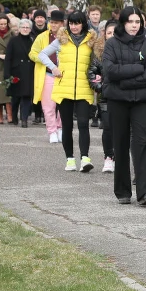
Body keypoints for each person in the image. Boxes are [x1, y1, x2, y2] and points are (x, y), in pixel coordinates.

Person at [102, 6, 146, 205]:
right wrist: (136, 68)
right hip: (117, 101)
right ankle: (123, 191)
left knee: (142, 143)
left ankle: (145, 192)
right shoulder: (112, 44)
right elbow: (109, 70)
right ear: (123, 23)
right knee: (120, 144)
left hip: (141, 101)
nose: (134, 26)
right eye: (130, 22)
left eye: (138, 22)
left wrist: (124, 81)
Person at [38, 9, 99, 173]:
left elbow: (99, 60)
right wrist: (53, 68)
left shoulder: (91, 40)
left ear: (83, 24)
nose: (74, 26)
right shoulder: (61, 39)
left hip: (84, 88)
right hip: (63, 88)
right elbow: (42, 54)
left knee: (83, 124)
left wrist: (98, 75)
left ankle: (85, 158)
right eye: (71, 23)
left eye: (77, 23)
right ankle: (70, 159)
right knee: (67, 126)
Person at [30, 9, 64, 144]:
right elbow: (32, 53)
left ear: (62, 23)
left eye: (56, 23)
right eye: (52, 22)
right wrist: (46, 61)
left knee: (63, 104)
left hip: (64, 75)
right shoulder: (42, 37)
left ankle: (60, 128)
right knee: (48, 105)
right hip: (48, 73)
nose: (53, 25)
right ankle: (52, 131)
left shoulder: (67, 37)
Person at [88, 20, 117, 172]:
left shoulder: (127, 51)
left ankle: (119, 156)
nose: (111, 35)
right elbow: (92, 74)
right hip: (106, 97)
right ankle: (108, 157)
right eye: (109, 32)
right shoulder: (99, 53)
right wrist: (102, 87)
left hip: (123, 96)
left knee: (122, 129)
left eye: (114, 32)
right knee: (108, 127)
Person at [5, 18, 36, 127]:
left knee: (27, 96)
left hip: (29, 71)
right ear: (19, 28)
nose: (25, 29)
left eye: (27, 27)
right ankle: (14, 115)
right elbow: (8, 58)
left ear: (30, 29)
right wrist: (7, 74)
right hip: (16, 71)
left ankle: (24, 119)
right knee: (16, 97)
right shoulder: (13, 40)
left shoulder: (33, 40)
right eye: (23, 27)